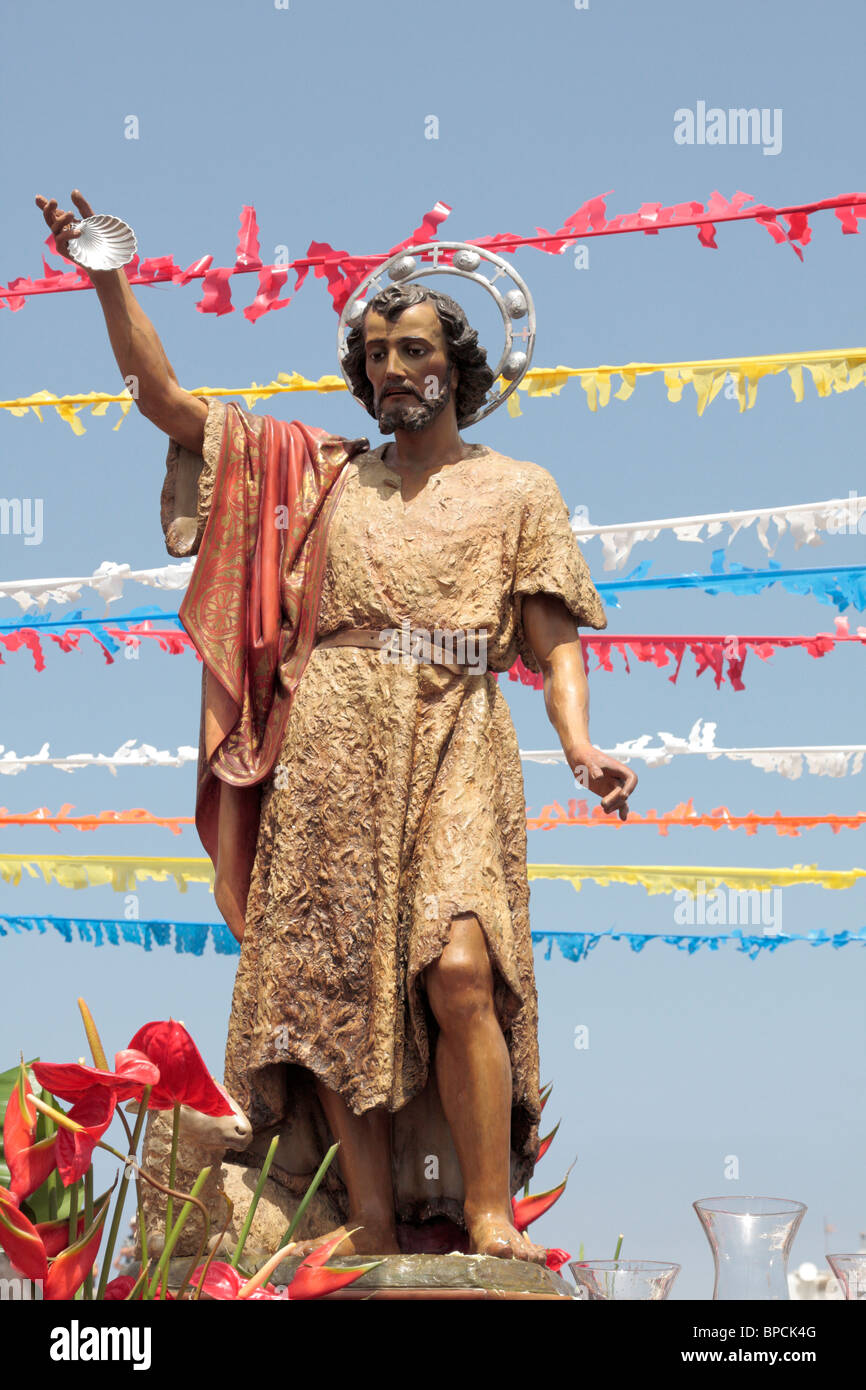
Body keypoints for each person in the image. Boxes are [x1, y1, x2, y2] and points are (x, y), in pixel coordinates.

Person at [35, 191, 639, 1264]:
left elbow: (552, 643)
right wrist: (104, 274)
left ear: (456, 362)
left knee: (462, 968)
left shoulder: (517, 490)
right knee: (329, 990)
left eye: (412, 347)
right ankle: (363, 1220)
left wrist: (580, 745)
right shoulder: (316, 477)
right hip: (332, 741)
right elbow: (168, 402)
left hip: (458, 731)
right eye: (373, 354)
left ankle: (487, 1209)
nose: (391, 368)